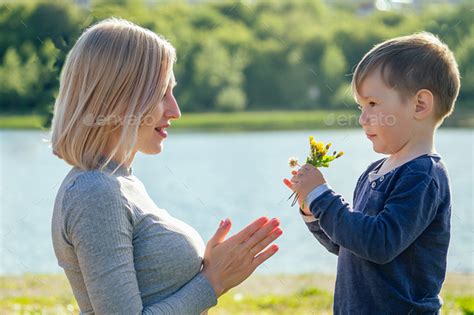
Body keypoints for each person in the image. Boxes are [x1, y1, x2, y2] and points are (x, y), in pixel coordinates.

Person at [50, 18, 282, 314]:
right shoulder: (95, 192)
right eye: (161, 93)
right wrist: (213, 282)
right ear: (120, 97)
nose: (176, 111)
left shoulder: (121, 182)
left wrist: (206, 270)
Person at [284, 32, 460, 314]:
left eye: (373, 104)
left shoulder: (423, 175)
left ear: (420, 105)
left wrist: (322, 195)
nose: (363, 118)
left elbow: (379, 243)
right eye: (360, 107)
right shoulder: (373, 172)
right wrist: (313, 210)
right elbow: (351, 245)